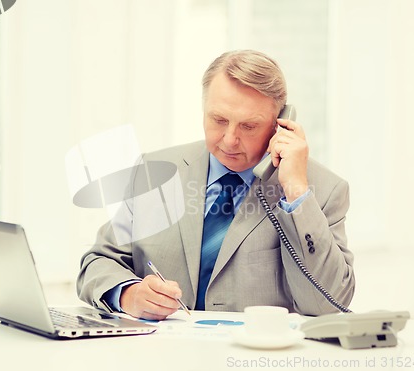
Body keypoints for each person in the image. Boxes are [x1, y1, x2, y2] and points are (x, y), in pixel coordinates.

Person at [77, 50, 355, 320]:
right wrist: (129, 295)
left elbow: (329, 304)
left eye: (249, 126)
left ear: (279, 125)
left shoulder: (324, 190)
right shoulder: (153, 172)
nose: (229, 139)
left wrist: (295, 191)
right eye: (219, 120)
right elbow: (98, 261)